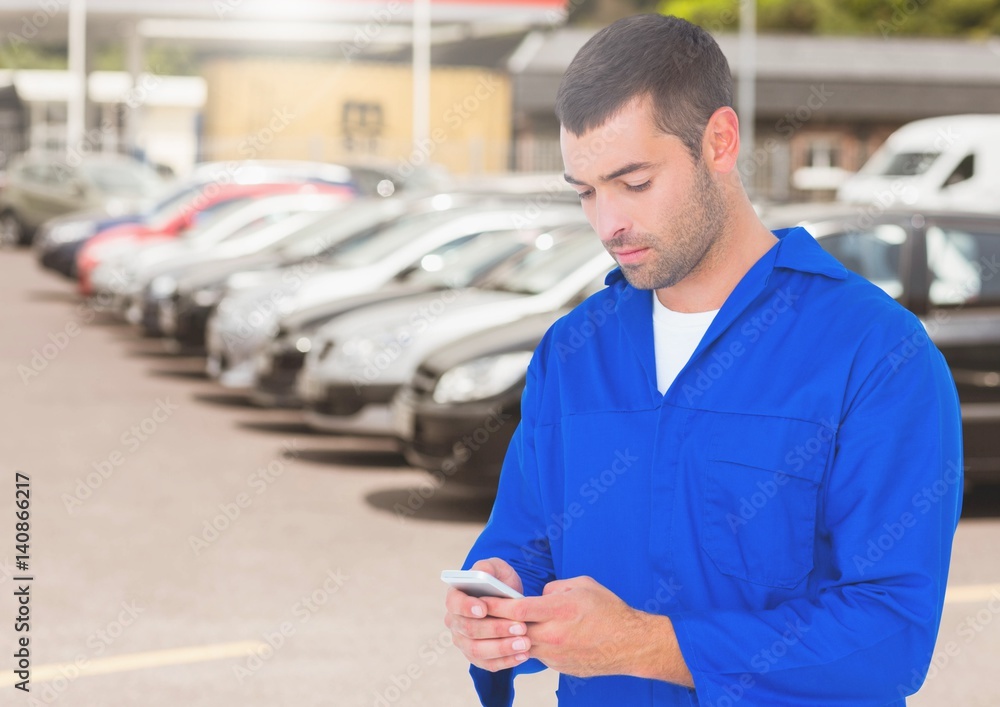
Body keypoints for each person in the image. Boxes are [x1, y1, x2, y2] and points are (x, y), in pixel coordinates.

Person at [444, 14, 962, 707]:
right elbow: (524, 542)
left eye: (633, 182)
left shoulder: (875, 355)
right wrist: (497, 603)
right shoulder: (573, 351)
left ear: (719, 141)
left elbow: (889, 635)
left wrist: (651, 645)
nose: (607, 224)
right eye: (586, 191)